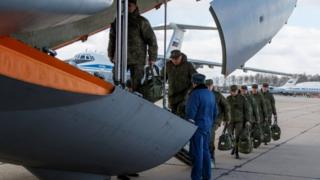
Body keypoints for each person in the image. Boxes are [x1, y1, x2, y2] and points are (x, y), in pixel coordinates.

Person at [108, 0, 158, 93]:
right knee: (116, 79)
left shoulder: (141, 22)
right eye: (125, 5)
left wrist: (152, 57)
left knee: (136, 85)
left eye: (129, 5)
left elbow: (152, 40)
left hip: (137, 59)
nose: (127, 7)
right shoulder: (118, 20)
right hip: (120, 57)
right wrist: (111, 54)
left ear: (135, 6)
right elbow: (112, 38)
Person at [186, 73, 217, 180]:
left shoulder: (195, 94)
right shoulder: (210, 94)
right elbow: (215, 113)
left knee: (197, 153)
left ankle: (196, 177)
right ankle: (207, 176)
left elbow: (190, 113)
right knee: (205, 152)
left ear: (194, 83)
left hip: (197, 127)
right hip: (207, 126)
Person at [162, 49, 197, 118]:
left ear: (181, 57)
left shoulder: (188, 65)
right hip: (172, 96)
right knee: (172, 116)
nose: (174, 60)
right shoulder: (168, 65)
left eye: (176, 58)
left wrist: (191, 90)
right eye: (173, 59)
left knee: (181, 115)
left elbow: (195, 78)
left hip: (184, 96)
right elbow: (162, 77)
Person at [205, 79, 230, 163]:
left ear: (212, 86)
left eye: (210, 86)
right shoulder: (202, 94)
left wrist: (226, 118)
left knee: (211, 136)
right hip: (205, 119)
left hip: (215, 119)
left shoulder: (217, 95)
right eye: (207, 86)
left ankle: (212, 158)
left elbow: (226, 105)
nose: (208, 87)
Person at [227, 85, 250, 159]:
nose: (233, 93)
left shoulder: (242, 98)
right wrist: (224, 119)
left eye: (235, 91)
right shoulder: (228, 98)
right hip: (230, 120)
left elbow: (247, 110)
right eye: (232, 91)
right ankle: (234, 147)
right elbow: (225, 110)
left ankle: (236, 152)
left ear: (237, 91)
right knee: (230, 134)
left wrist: (247, 120)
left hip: (240, 120)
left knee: (237, 136)